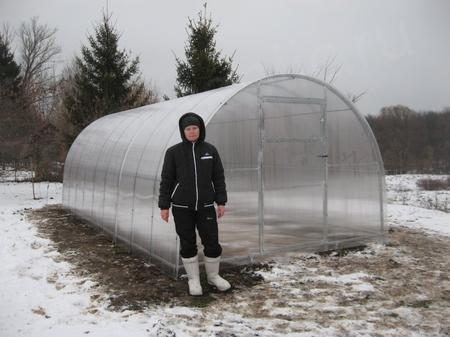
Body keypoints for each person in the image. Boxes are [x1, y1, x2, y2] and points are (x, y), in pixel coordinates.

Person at [158, 112, 231, 296]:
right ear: (183, 131)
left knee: (212, 242)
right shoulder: (173, 152)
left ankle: (213, 277)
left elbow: (219, 178)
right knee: (188, 242)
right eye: (188, 129)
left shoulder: (210, 150)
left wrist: (221, 201)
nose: (192, 132)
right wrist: (164, 206)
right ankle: (194, 280)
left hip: (206, 205)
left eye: (195, 128)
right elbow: (166, 180)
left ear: (200, 129)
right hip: (182, 207)